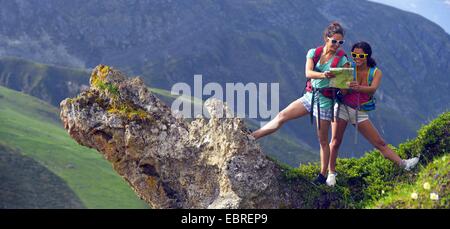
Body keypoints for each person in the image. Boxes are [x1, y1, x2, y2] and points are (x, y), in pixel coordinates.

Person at [251, 21, 349, 184]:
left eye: (340, 42)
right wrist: (325, 75)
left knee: (323, 140)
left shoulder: (342, 59)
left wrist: (344, 85)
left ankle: (323, 175)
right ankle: (253, 136)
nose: (337, 45)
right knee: (282, 115)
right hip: (310, 96)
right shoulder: (314, 53)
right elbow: (308, 73)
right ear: (326, 38)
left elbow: (344, 84)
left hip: (325, 102)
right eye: (334, 41)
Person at [326, 41, 419, 187]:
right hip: (342, 107)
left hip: (359, 111)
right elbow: (341, 90)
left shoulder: (376, 72)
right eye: (354, 55)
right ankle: (331, 173)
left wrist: (358, 87)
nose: (357, 58)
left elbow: (372, 89)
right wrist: (343, 85)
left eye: (361, 55)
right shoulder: (348, 67)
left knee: (379, 142)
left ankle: (404, 164)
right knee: (335, 141)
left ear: (367, 55)